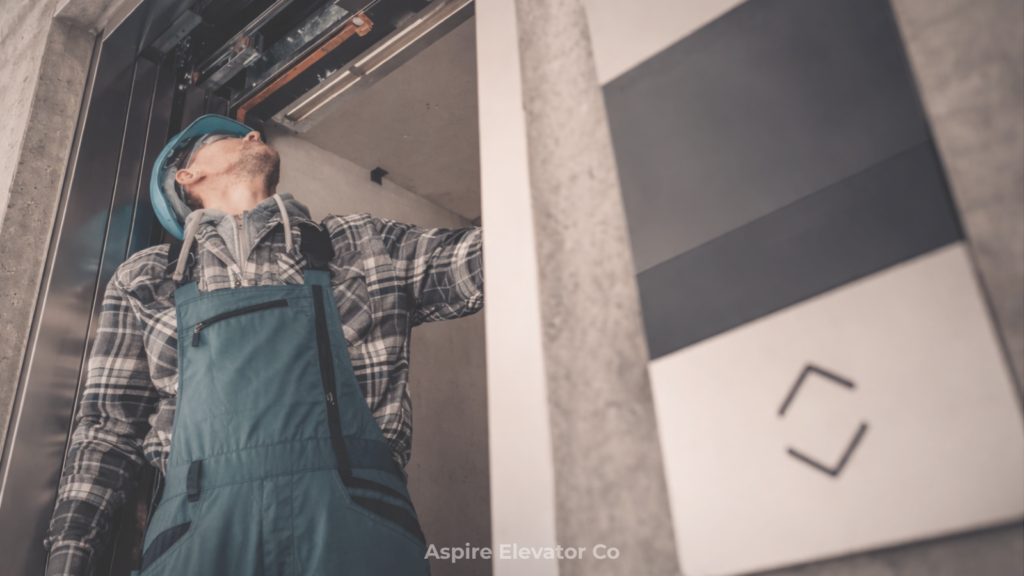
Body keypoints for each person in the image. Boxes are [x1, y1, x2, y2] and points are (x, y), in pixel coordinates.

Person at [43, 114, 483, 576]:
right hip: (197, 536)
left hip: (359, 522)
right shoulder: (147, 278)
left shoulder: (363, 243)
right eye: (228, 137)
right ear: (187, 175)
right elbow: (108, 432)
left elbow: (490, 258)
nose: (253, 134)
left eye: (251, 133)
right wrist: (68, 559)